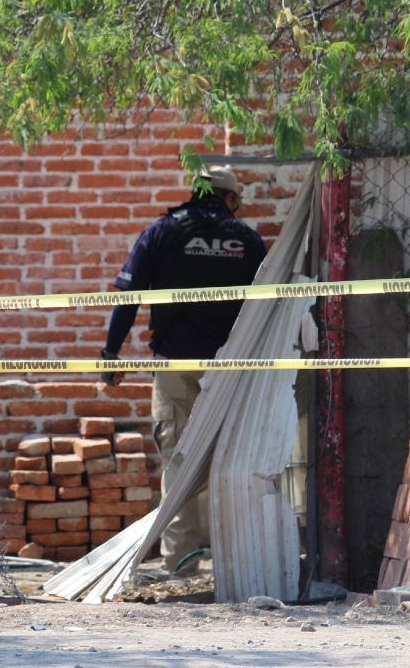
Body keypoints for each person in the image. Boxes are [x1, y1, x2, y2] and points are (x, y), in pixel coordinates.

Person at [99, 165, 267, 578]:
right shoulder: (246, 240)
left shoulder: (162, 232)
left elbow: (130, 298)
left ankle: (183, 561)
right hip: (234, 364)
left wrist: (110, 354)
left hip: (175, 363)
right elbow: (268, 306)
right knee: (232, 455)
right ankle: (238, 557)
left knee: (178, 455)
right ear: (230, 198)